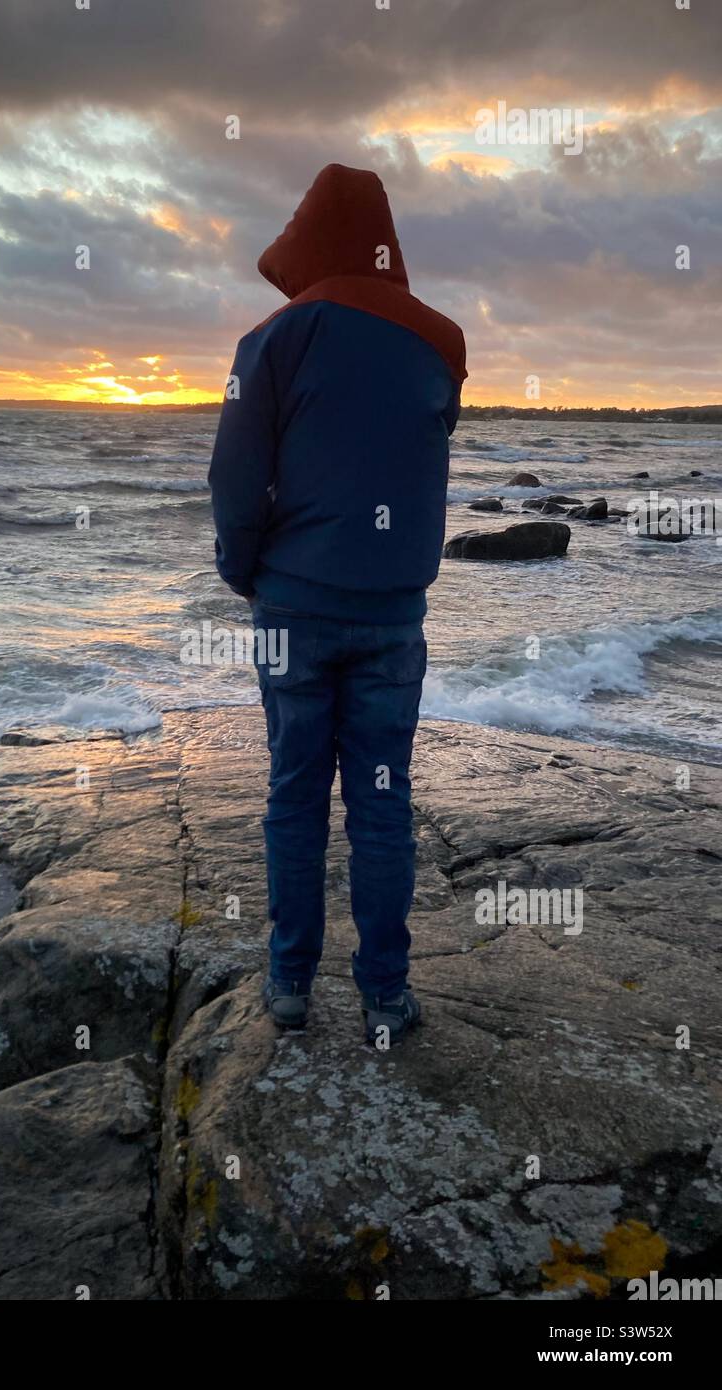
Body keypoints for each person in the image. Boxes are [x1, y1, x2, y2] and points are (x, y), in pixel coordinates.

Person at [208, 163, 467, 1045]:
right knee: (382, 801)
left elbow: (236, 479)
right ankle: (385, 995)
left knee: (293, 793)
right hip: (394, 613)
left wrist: (245, 572)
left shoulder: (273, 339)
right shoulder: (442, 343)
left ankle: (288, 982)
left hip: (294, 610)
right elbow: (414, 446)